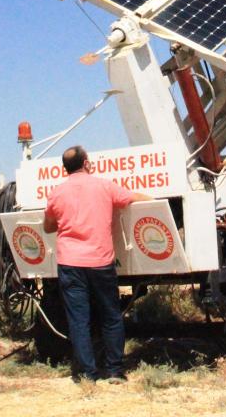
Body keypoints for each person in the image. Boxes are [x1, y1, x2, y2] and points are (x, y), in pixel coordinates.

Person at [43, 145, 150, 383]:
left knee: (79, 320)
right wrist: (156, 202)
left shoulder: (57, 192)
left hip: (70, 263)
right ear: (87, 162)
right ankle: (114, 371)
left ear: (64, 168)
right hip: (100, 261)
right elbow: (132, 198)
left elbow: (48, 225)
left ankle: (87, 374)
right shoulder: (104, 186)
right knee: (110, 315)